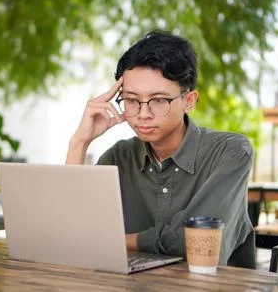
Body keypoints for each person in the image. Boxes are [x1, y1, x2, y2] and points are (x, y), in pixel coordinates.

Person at [66, 31, 255, 268]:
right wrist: (80, 142)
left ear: (189, 101)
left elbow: (198, 242)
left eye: (158, 100)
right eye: (132, 100)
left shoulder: (231, 152)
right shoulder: (119, 157)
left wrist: (114, 241)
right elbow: (72, 232)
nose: (143, 114)